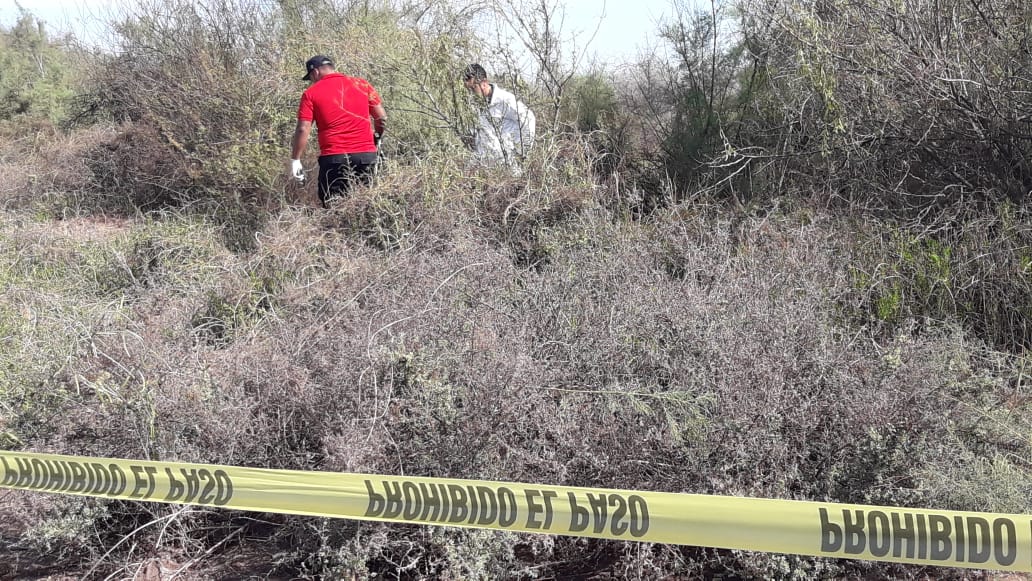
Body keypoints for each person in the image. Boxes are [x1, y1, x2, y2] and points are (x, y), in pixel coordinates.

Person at [290, 55, 388, 207]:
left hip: (334, 158)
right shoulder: (362, 84)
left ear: (315, 72)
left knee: (333, 206)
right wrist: (377, 137)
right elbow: (381, 118)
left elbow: (303, 128)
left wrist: (295, 159)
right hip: (366, 155)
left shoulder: (310, 93)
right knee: (368, 204)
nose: (312, 81)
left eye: (311, 78)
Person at [462, 63, 536, 169]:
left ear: (484, 83)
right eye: (468, 89)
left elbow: (529, 119)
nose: (471, 93)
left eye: (473, 88)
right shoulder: (474, 105)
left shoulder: (505, 100)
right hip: (486, 167)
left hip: (509, 167)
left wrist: (521, 153)